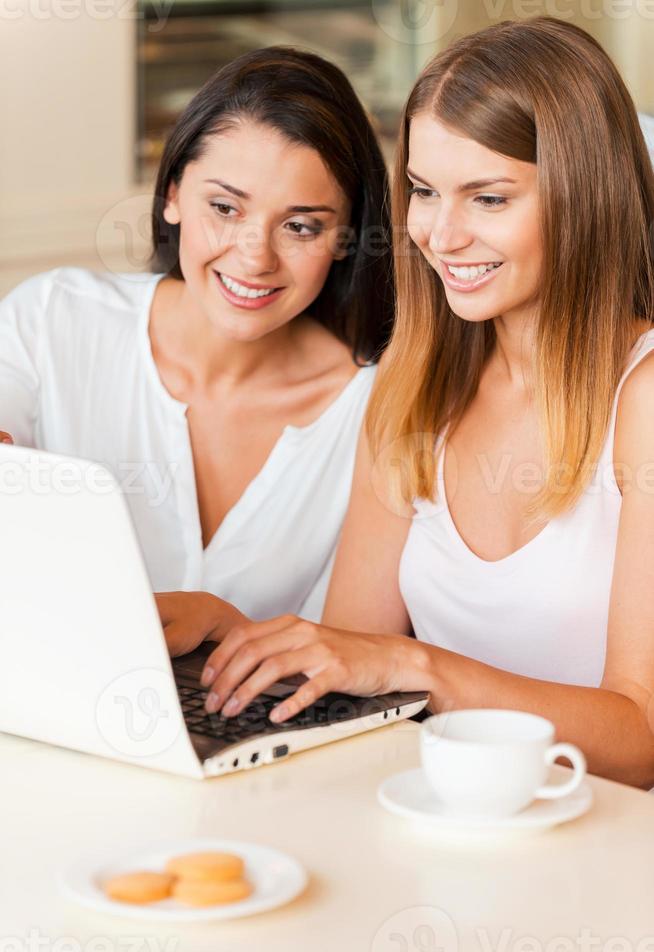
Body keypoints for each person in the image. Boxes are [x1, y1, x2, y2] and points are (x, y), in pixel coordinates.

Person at [167, 17, 654, 789]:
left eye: (488, 198)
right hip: (439, 825)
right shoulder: (418, 381)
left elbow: (640, 740)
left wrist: (418, 664)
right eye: (424, 192)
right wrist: (232, 632)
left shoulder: (644, 398)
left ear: (586, 197)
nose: (439, 233)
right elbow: (355, 655)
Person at [0, 47, 394, 633]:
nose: (254, 256)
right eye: (225, 207)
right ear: (173, 195)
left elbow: (358, 661)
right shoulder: (55, 321)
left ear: (345, 238)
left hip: (287, 726)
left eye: (300, 226)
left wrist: (229, 628)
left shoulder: (378, 407)